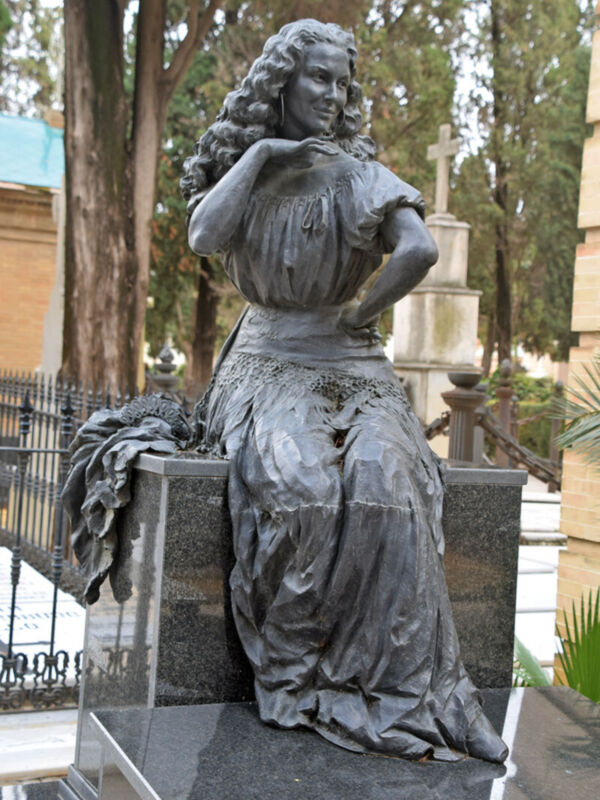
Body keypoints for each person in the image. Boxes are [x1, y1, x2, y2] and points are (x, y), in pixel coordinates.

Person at [182, 19, 508, 764]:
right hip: (267, 362)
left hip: (355, 368)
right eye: (316, 79)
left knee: (390, 481)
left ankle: (418, 695)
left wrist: (357, 316)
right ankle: (298, 676)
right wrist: (263, 154)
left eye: (340, 81)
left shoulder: (359, 171)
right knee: (297, 484)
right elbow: (204, 235)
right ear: (281, 85)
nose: (332, 94)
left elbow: (419, 246)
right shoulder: (252, 167)